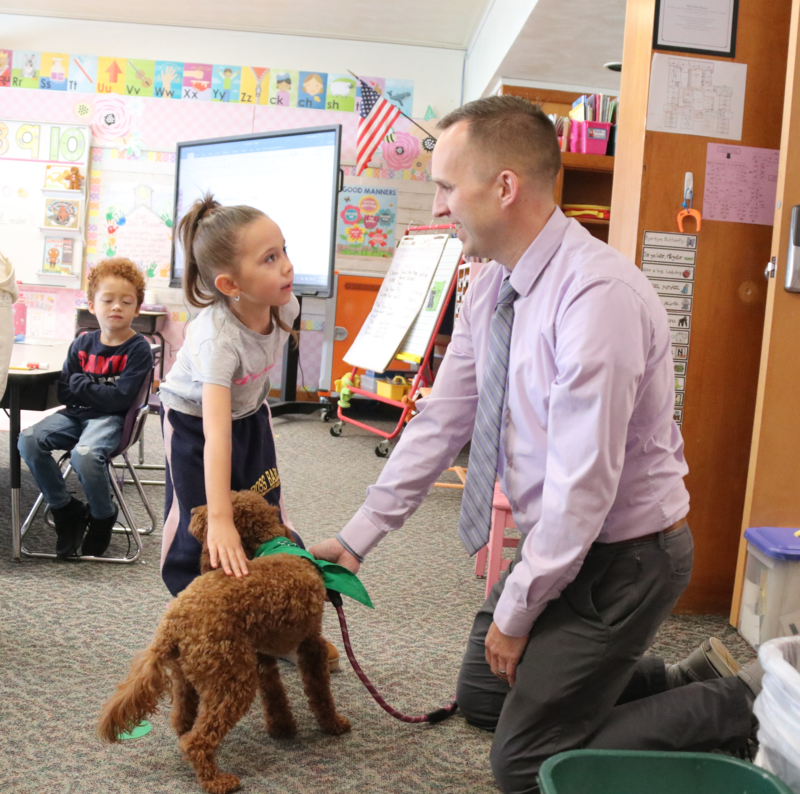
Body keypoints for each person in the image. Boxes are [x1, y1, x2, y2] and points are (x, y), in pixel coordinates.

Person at [310, 96, 761, 792]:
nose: (438, 205)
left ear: (504, 188)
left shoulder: (596, 297)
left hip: (624, 559)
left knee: (524, 765)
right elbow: (444, 417)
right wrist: (359, 534)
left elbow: (584, 487)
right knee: (488, 696)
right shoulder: (494, 281)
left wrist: (519, 611)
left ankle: (741, 705)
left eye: (447, 187)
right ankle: (676, 679)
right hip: (561, 543)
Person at [158, 194, 339, 668]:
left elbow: (251, 395)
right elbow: (216, 435)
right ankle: (197, 624)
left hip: (250, 415)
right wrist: (219, 517)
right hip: (194, 422)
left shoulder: (287, 306)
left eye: (284, 250)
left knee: (265, 511)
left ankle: (272, 627)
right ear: (229, 284)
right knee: (200, 526)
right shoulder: (216, 340)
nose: (287, 266)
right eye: (270, 258)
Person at [19, 258, 153, 559]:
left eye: (126, 301)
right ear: (92, 305)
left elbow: (119, 401)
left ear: (137, 308)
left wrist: (84, 385)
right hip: (75, 415)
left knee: (85, 454)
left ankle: (103, 516)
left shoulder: (138, 348)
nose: (116, 306)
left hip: (110, 421)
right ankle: (65, 509)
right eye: (107, 300)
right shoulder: (81, 343)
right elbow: (65, 390)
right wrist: (98, 390)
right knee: (27, 440)